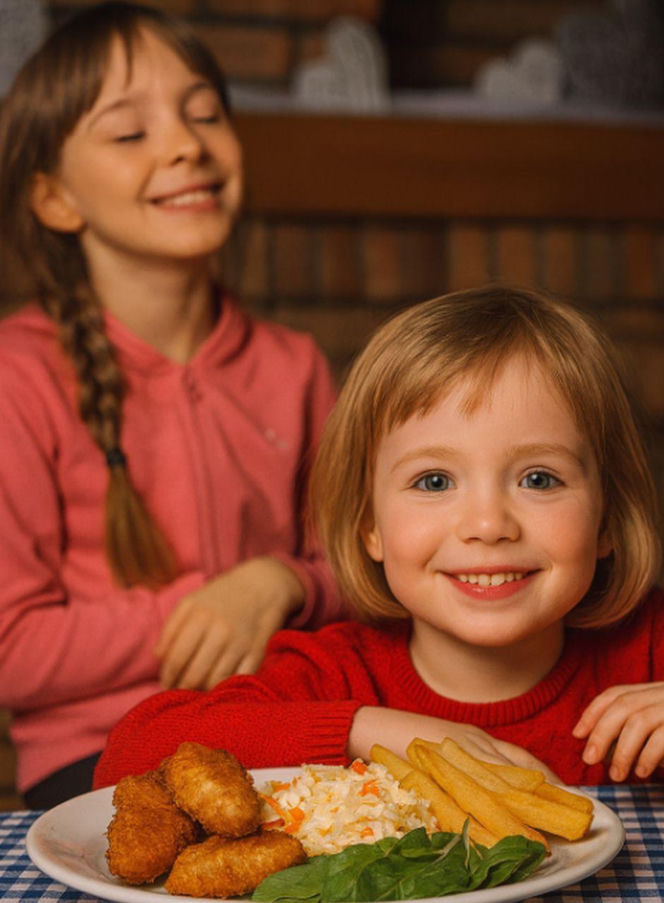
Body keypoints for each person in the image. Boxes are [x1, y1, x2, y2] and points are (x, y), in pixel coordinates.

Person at [93, 286, 663, 790]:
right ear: (370, 526)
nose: (488, 526)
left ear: (608, 518)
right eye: (433, 481)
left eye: (539, 479)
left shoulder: (648, 650)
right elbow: (127, 754)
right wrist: (367, 729)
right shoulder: (333, 675)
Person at [0, 1, 344, 809]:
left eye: (204, 114)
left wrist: (280, 583)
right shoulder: (19, 376)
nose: (187, 143)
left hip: (278, 732)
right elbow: (11, 641)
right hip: (97, 754)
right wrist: (203, 607)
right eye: (130, 133)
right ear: (55, 198)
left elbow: (365, 573)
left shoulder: (295, 366)